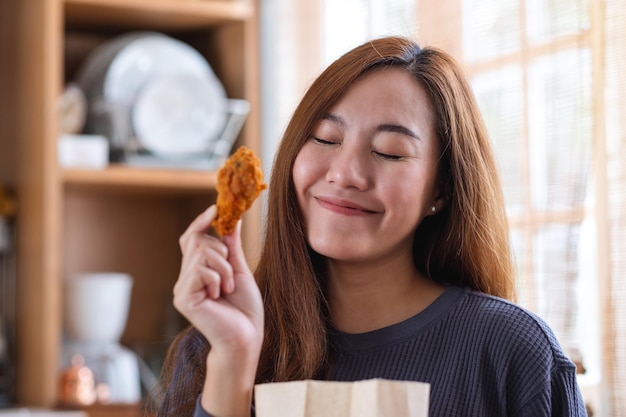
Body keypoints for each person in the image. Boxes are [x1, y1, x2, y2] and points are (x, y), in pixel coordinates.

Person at [153, 36, 587, 417]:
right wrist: (235, 357)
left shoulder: (512, 350)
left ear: (441, 190)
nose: (345, 174)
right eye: (325, 138)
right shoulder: (213, 347)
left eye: (391, 151)